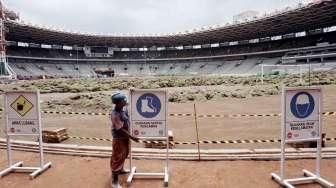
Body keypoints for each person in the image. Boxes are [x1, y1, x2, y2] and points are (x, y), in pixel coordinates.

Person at [110, 92, 139, 188]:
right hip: (119, 138)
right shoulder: (115, 114)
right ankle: (114, 181)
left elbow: (131, 104)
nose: (125, 101)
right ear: (118, 103)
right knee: (117, 157)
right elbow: (120, 129)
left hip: (125, 137)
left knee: (125, 153)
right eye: (123, 100)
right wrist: (132, 137)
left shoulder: (123, 109)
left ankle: (121, 169)